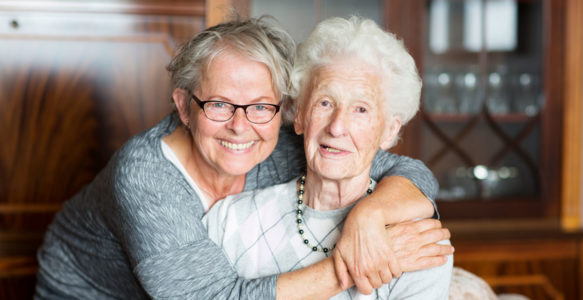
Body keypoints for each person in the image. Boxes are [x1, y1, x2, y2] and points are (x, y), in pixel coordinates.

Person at [35, 16, 448, 299]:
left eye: (259, 106)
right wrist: (358, 262)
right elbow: (212, 298)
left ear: (284, 110)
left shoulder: (278, 143)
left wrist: (369, 217)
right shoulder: (145, 176)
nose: (240, 126)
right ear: (183, 106)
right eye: (218, 104)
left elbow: (405, 170)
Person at [203, 16, 453, 299]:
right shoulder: (230, 220)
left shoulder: (415, 243)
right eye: (325, 103)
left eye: (361, 109)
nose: (336, 127)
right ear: (298, 115)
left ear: (389, 130)